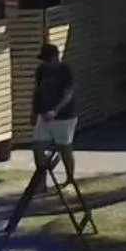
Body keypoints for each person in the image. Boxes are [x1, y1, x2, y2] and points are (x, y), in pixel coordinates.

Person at [31, 42, 78, 185]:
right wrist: (34, 111)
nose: (45, 63)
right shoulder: (41, 70)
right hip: (44, 114)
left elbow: (68, 94)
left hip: (64, 116)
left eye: (47, 59)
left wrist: (55, 111)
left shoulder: (65, 71)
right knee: (38, 146)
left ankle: (70, 178)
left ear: (55, 57)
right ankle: (41, 180)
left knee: (65, 148)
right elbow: (37, 91)